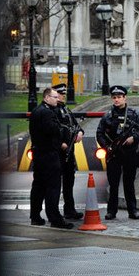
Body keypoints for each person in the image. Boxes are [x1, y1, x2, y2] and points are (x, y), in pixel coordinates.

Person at [96, 85, 139, 220]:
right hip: (113, 154)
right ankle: (111, 211)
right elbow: (99, 133)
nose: (117, 100)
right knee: (113, 184)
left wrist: (133, 138)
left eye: (119, 97)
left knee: (129, 183)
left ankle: (132, 210)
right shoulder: (107, 116)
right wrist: (107, 147)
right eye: (114, 97)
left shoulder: (134, 114)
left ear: (125, 98)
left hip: (129, 153)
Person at [29, 88, 73, 229]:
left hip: (38, 153)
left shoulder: (36, 111)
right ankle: (55, 218)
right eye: (55, 97)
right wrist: (63, 132)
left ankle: (35, 216)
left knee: (38, 186)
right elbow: (54, 130)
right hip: (49, 154)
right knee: (53, 187)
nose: (58, 99)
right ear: (47, 97)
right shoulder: (48, 113)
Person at [52, 83, 84, 220]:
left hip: (69, 151)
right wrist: (61, 143)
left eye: (64, 94)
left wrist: (81, 132)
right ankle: (54, 212)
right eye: (60, 94)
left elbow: (76, 125)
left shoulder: (66, 109)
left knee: (69, 182)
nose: (63, 97)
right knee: (55, 184)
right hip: (58, 152)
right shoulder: (52, 111)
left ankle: (69, 209)